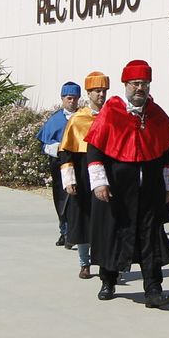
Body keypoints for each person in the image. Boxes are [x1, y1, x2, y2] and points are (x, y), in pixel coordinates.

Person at [85, 60, 169, 307]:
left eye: (144, 84)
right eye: (136, 83)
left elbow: (167, 153)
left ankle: (153, 288)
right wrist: (99, 183)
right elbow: (94, 150)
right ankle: (108, 280)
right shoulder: (111, 112)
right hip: (116, 189)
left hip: (150, 191)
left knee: (150, 237)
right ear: (126, 85)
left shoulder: (156, 115)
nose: (140, 88)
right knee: (113, 234)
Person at [58, 72, 109, 280]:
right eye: (97, 91)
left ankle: (108, 263)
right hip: (82, 174)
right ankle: (84, 262)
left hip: (107, 176)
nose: (101, 95)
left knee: (106, 220)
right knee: (82, 218)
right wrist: (69, 180)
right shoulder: (78, 119)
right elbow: (66, 151)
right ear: (88, 93)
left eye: (104, 91)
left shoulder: (113, 116)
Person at [37, 80, 81, 248]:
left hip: (78, 164)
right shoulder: (54, 120)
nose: (72, 101)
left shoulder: (82, 117)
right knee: (61, 199)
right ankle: (63, 231)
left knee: (75, 199)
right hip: (58, 164)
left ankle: (72, 233)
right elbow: (44, 144)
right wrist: (58, 149)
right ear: (63, 99)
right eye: (69, 98)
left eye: (75, 98)